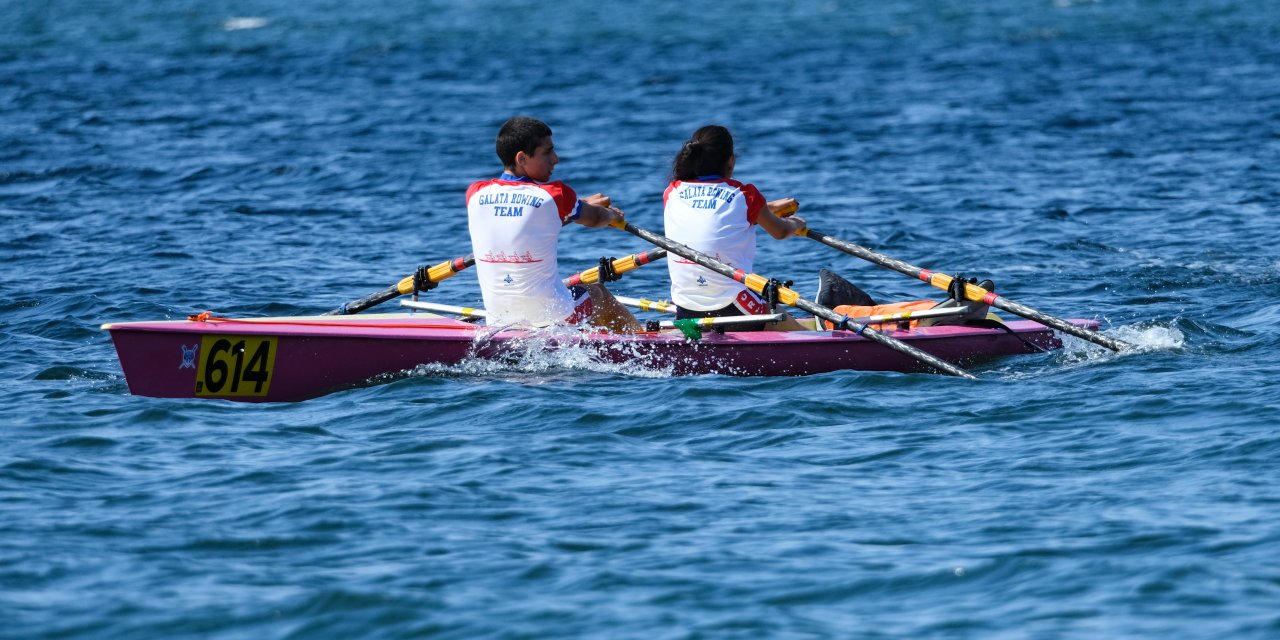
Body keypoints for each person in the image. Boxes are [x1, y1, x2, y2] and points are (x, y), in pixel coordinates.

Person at [467, 116, 639, 333]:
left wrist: (580, 203)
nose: (555, 159)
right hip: (555, 316)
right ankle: (642, 343)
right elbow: (595, 219)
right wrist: (611, 215)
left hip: (499, 317)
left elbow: (523, 213)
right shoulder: (556, 194)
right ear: (522, 158)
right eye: (547, 152)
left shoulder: (475, 192)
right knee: (599, 293)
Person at [662, 125, 808, 331]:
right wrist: (797, 223)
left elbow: (709, 217)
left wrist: (765, 209)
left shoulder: (672, 192)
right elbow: (781, 231)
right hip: (734, 306)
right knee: (790, 324)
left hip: (685, 308)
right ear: (731, 161)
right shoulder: (744, 195)